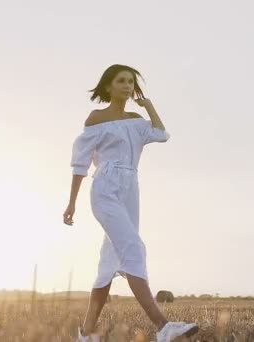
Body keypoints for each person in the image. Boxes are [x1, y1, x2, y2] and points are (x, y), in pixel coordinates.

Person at [63, 64, 199, 342]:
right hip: (105, 188)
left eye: (131, 82)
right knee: (133, 247)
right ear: (109, 86)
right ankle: (163, 326)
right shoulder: (96, 118)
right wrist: (71, 204)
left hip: (130, 191)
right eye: (121, 81)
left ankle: (86, 334)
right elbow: (80, 162)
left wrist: (149, 107)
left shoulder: (137, 121)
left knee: (108, 263)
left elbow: (161, 134)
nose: (127, 86)